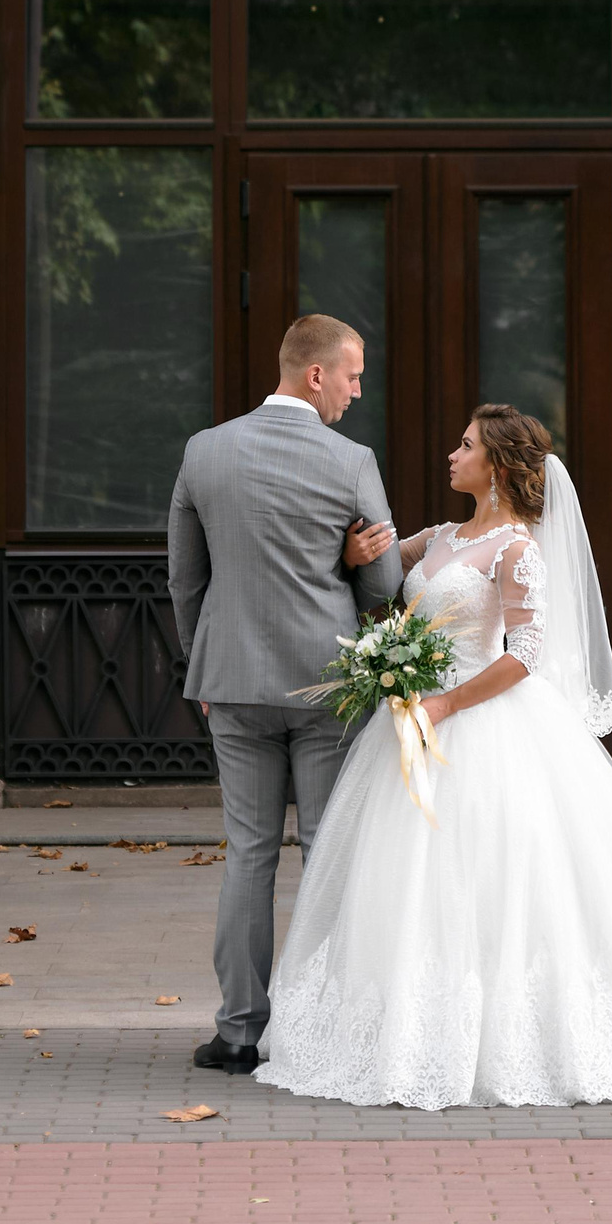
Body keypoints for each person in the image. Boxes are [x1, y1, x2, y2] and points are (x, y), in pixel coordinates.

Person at [253, 405, 612, 1108]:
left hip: (480, 720)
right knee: (408, 877)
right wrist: (357, 561)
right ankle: (405, 1029)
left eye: (465, 445)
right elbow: (378, 571)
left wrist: (446, 704)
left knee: (499, 873)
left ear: (497, 465)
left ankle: (512, 1036)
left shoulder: (515, 548)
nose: (452, 454)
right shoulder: (438, 537)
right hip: (411, 722)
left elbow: (526, 653)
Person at [167, 313, 403, 1076]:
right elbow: (384, 584)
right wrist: (347, 560)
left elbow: (185, 577)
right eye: (352, 376)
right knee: (327, 851)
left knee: (248, 853)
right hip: (328, 685)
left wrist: (203, 663)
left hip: (232, 681)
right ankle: (324, 1030)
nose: (356, 391)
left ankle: (239, 1031)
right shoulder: (352, 461)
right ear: (316, 374)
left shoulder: (205, 451)